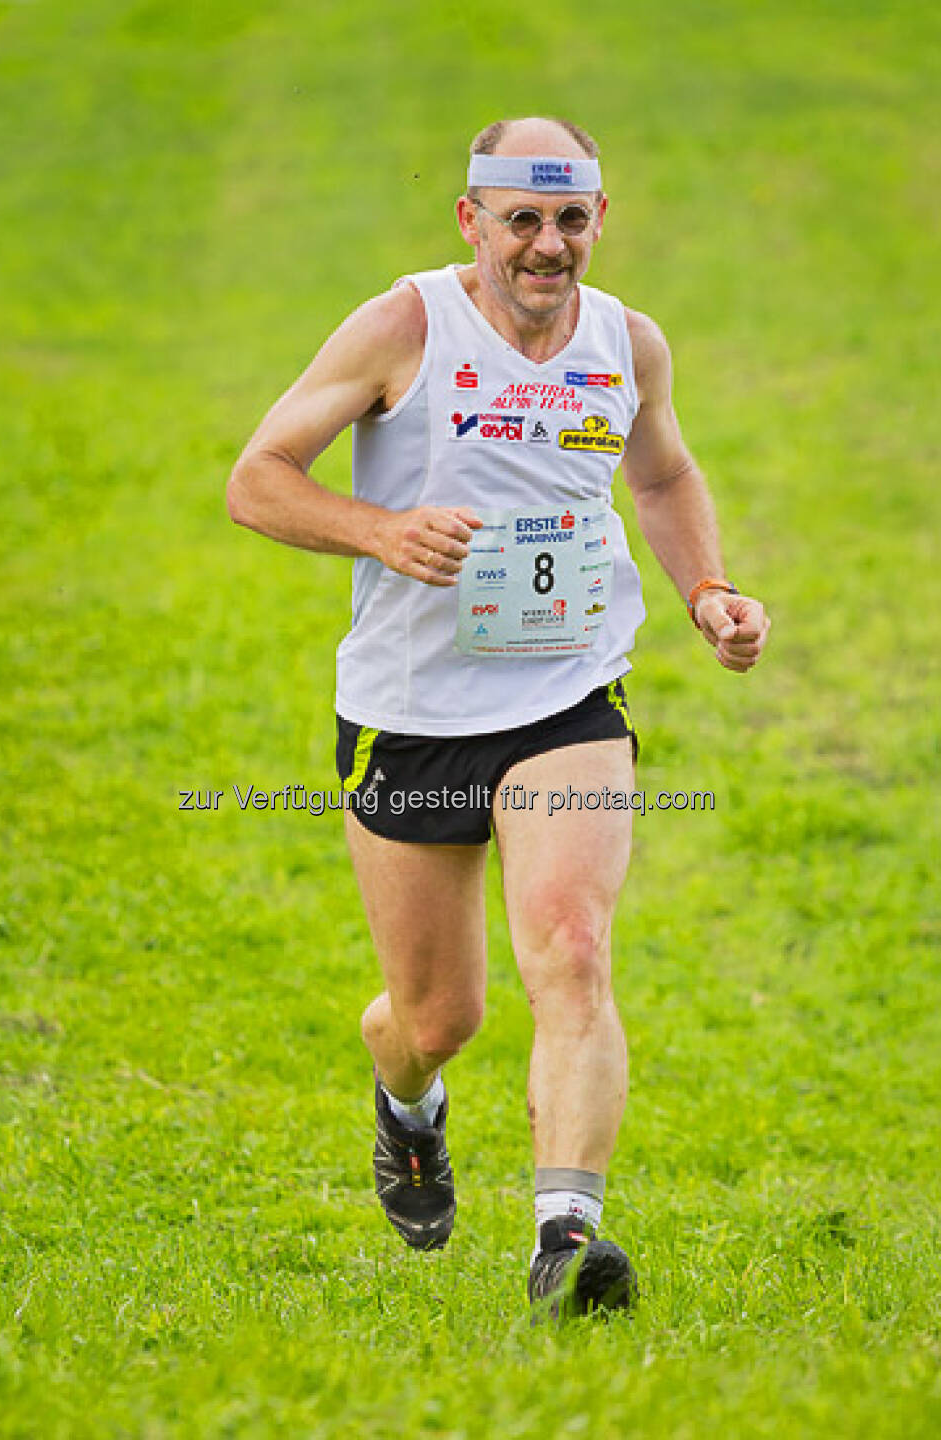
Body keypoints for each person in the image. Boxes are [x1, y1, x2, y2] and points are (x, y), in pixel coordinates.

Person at [227, 115, 770, 1320]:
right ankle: (405, 1099)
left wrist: (708, 591)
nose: (545, 245)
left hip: (566, 696)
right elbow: (255, 478)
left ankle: (564, 1239)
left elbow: (663, 474)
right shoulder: (404, 326)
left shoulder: (627, 342)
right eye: (519, 218)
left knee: (571, 951)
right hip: (410, 710)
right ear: (470, 219)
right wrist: (380, 531)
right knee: (439, 1014)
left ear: (599, 220)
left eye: (569, 218)